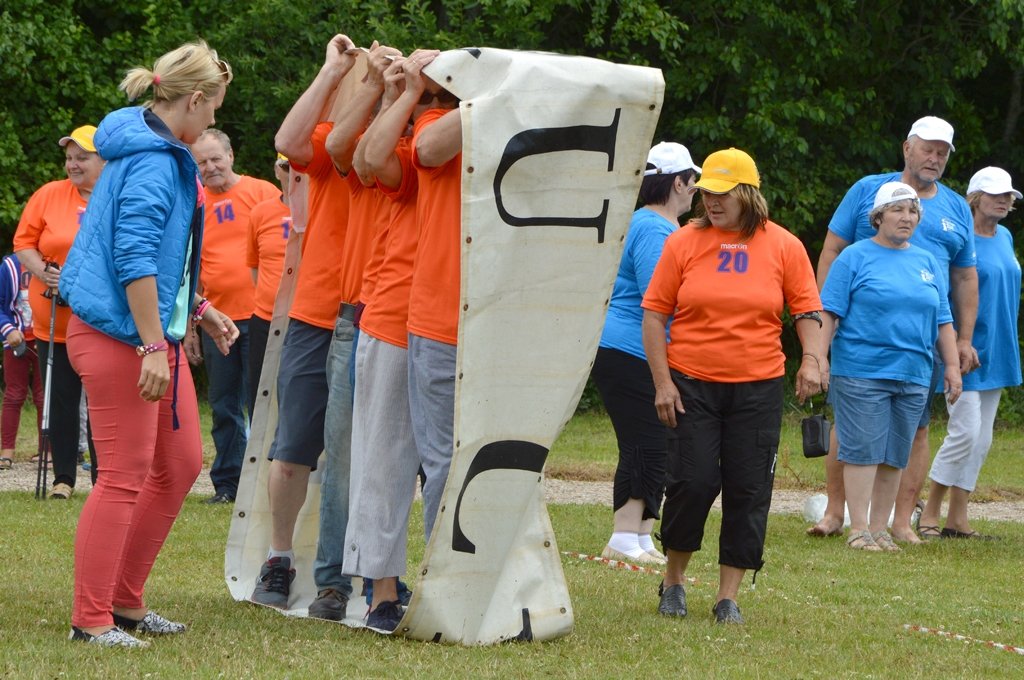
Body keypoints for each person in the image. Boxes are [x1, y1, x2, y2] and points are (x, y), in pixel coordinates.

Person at [59, 40, 236, 648]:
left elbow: (163, 261)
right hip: (119, 336)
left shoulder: (148, 141)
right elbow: (132, 256)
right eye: (213, 107)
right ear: (192, 99)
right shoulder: (157, 160)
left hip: (142, 330)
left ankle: (125, 603)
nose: (215, 119)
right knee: (125, 475)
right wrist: (153, 347)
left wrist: (201, 310)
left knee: (181, 463)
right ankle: (92, 619)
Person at [642, 148, 824, 624]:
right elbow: (655, 314)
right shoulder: (684, 241)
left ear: (747, 194)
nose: (712, 202)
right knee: (693, 480)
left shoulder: (784, 245)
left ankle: (729, 597)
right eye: (706, 193)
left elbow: (807, 310)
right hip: (691, 383)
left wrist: (812, 359)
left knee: (748, 489)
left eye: (722, 194)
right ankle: (674, 580)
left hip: (758, 386)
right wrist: (663, 383)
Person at [808, 116, 977, 543]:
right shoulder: (866, 198)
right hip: (862, 357)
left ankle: (893, 525)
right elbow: (831, 260)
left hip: (916, 361)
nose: (934, 158)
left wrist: (959, 349)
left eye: (943, 152)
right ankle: (844, 518)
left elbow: (958, 286)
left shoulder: (952, 213)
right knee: (855, 439)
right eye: (928, 149)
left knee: (905, 441)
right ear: (907, 148)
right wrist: (817, 351)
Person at [249, 33, 356, 621]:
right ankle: (279, 558)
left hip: (375, 314)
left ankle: (356, 572)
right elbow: (287, 141)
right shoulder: (323, 143)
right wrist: (330, 70)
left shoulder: (388, 141)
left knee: (360, 456)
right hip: (316, 312)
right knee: (292, 451)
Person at [820, 182, 962, 552]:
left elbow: (943, 320)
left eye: (913, 211)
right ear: (878, 216)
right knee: (864, 450)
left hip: (913, 373)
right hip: (862, 369)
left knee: (894, 454)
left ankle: (880, 530)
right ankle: (859, 529)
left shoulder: (928, 261)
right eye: (898, 210)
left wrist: (952, 366)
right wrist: (817, 359)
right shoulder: (854, 257)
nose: (907, 217)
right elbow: (829, 311)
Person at [591, 141, 700, 566]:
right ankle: (624, 535)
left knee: (659, 442)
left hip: (634, 349)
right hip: (630, 349)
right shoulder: (655, 229)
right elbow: (664, 297)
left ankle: (641, 536)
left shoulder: (651, 224)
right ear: (678, 183)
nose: (696, 192)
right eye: (694, 183)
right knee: (645, 441)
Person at [918, 167, 1021, 540]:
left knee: (983, 438)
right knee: (965, 431)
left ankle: (957, 519)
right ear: (975, 197)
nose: (1004, 200)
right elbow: (948, 291)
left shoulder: (1006, 236)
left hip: (1000, 347)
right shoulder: (960, 239)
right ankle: (928, 511)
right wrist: (958, 340)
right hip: (963, 348)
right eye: (996, 194)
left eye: (1009, 195)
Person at [189, 129, 279, 504]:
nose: (210, 168)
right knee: (224, 404)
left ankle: (266, 484)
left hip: (262, 317)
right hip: (216, 320)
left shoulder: (263, 192)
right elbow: (188, 267)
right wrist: (192, 325)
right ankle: (228, 483)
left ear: (231, 156)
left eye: (215, 159)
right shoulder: (193, 204)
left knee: (264, 402)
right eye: (201, 162)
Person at [13, 124, 102, 499]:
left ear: (103, 159)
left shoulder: (115, 197)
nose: (73, 164)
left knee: (102, 402)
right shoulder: (49, 195)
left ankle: (105, 479)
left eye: (82, 157)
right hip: (55, 323)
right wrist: (44, 273)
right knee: (62, 402)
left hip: (101, 323)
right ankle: (63, 478)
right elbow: (24, 243)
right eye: (69, 157)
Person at [245, 154, 292, 416]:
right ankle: (257, 455)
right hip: (265, 318)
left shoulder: (320, 207)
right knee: (260, 394)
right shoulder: (261, 212)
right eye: (285, 165)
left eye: (298, 164)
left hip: (304, 321)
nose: (292, 171)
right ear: (276, 170)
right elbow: (254, 265)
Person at [0, 253, 43, 469]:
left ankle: (47, 451)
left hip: (45, 339)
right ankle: (6, 452)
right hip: (16, 340)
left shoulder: (52, 261)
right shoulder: (10, 265)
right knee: (14, 394)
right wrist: (7, 329)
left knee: (44, 397)